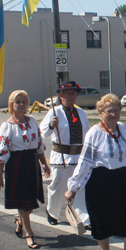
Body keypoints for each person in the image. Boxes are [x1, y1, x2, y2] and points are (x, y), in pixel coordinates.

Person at [65, 94, 126, 250]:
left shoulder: (122, 128)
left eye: (116, 110)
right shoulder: (95, 132)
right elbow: (85, 161)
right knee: (102, 221)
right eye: (109, 111)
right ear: (100, 113)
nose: (114, 114)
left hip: (120, 180)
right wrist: (73, 187)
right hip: (100, 181)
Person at [0, 90, 51, 249]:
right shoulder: (7, 126)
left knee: (31, 201)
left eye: (24, 102)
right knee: (24, 202)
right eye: (17, 102)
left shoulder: (33, 121)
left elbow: (39, 144)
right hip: (16, 164)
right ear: (12, 105)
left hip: (32, 162)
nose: (21, 104)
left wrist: (44, 164)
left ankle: (20, 221)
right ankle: (29, 233)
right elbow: (2, 151)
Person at [40, 81, 90, 229]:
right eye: (67, 92)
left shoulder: (81, 113)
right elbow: (43, 133)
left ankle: (84, 218)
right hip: (61, 155)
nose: (71, 95)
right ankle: (53, 213)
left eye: (73, 92)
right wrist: (51, 125)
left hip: (78, 157)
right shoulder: (54, 112)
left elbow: (87, 134)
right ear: (60, 95)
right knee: (58, 186)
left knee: (80, 187)